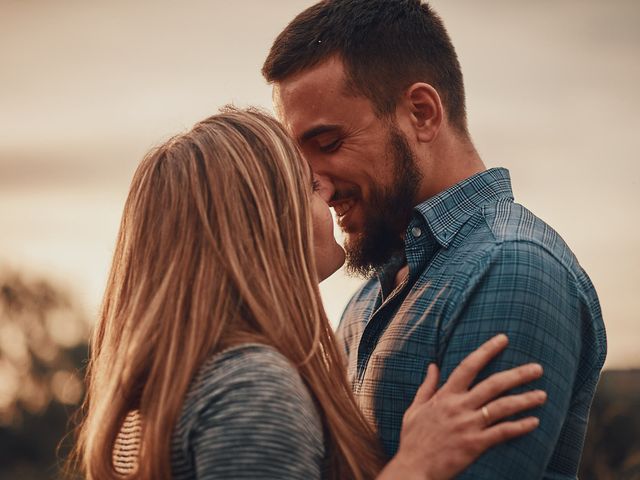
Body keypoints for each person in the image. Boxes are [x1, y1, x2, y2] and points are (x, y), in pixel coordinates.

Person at [72, 107, 547, 480]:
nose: (327, 198)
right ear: (261, 221)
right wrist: (414, 468)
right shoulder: (251, 388)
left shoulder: (173, 381)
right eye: (307, 186)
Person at [263, 0, 607, 478]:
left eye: (328, 144)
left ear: (421, 113)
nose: (314, 183)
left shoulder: (511, 269)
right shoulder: (366, 300)